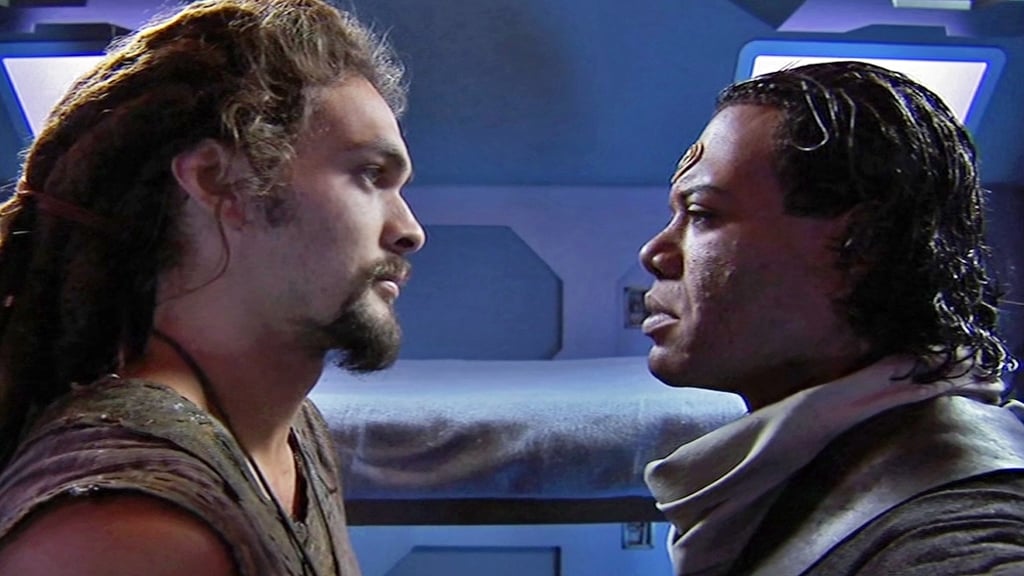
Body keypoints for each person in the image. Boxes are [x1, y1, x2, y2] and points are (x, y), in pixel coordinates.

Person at [0, 0, 425, 574]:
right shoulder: (129, 533)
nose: (410, 231)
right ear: (218, 181)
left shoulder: (290, 432)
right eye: (370, 175)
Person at [639, 61, 1024, 576]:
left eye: (703, 214)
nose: (655, 253)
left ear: (860, 247)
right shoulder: (823, 467)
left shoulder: (951, 531)